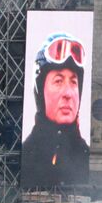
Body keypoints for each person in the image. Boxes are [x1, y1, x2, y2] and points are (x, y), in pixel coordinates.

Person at [20, 33, 90, 188]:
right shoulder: (24, 155)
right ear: (40, 90)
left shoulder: (87, 156)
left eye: (73, 82)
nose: (68, 94)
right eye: (58, 81)